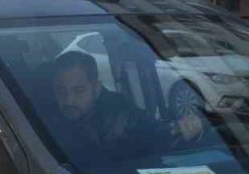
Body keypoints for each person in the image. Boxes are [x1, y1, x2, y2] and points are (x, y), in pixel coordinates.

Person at [48, 50, 203, 161]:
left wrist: (176, 129)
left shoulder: (119, 114)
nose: (68, 100)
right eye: (61, 91)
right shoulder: (38, 117)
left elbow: (148, 130)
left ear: (96, 87)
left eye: (79, 91)